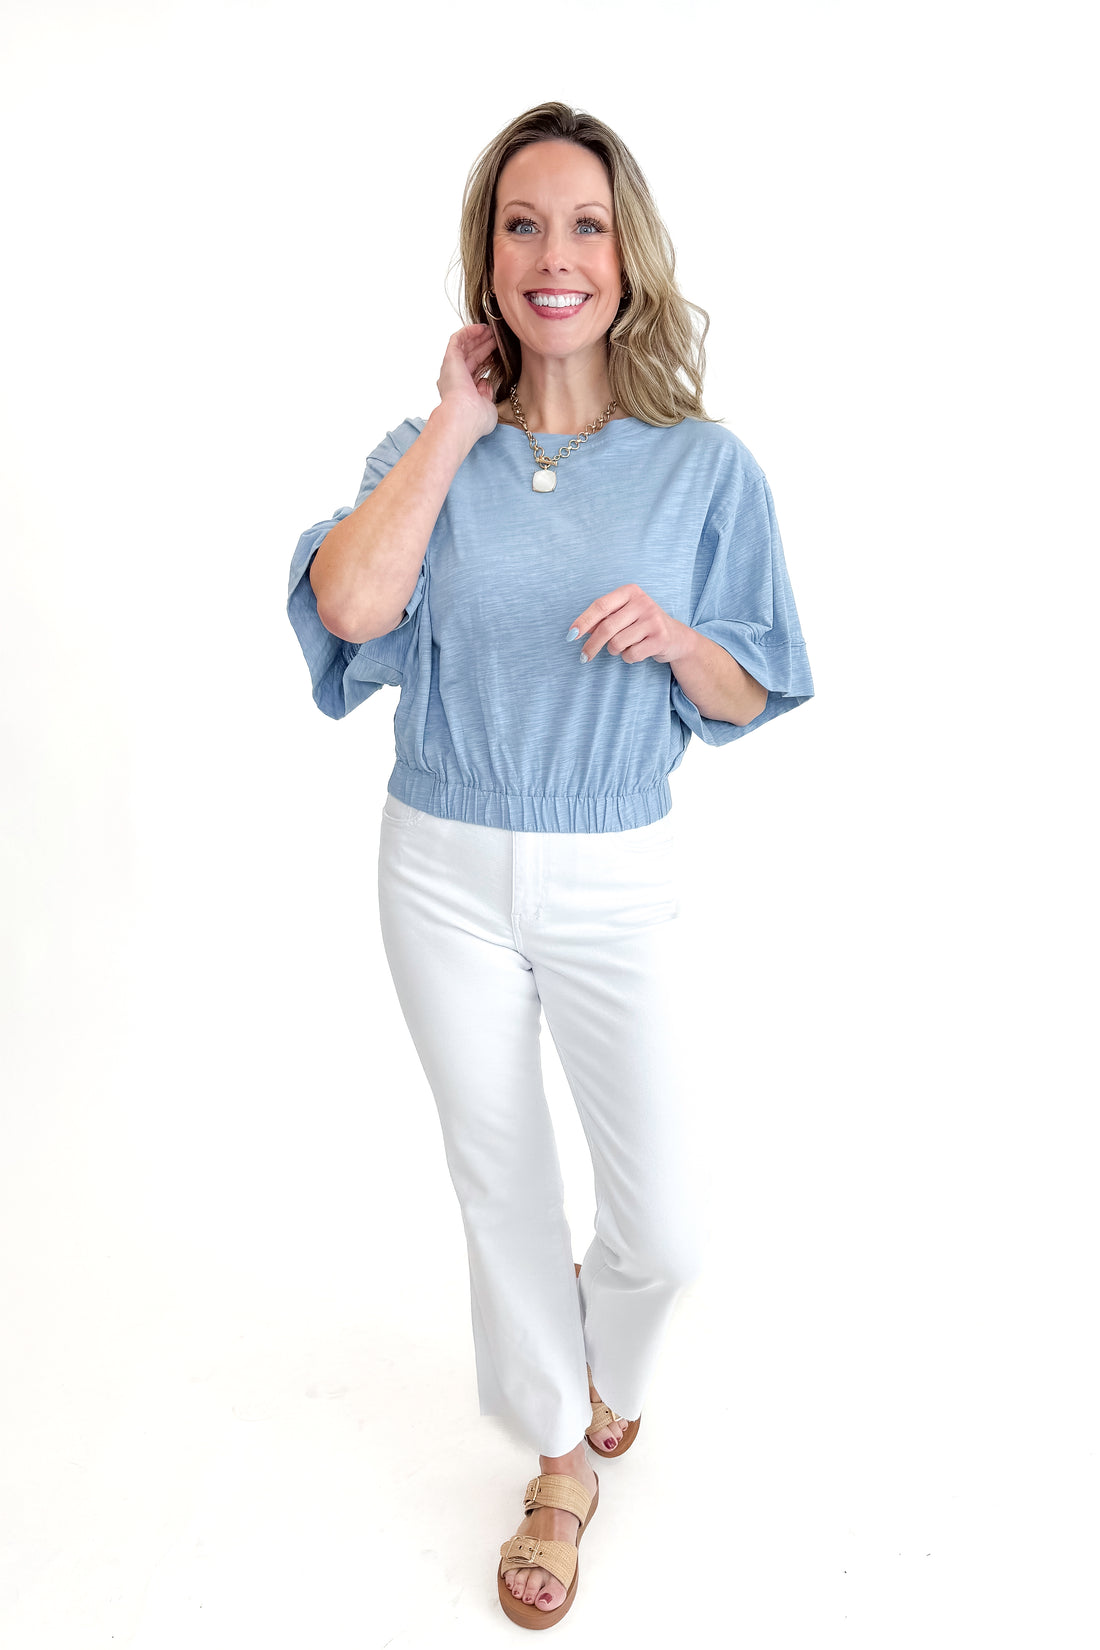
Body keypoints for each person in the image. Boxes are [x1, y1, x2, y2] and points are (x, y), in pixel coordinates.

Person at [287, 101, 814, 1629]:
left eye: (584, 224)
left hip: (614, 869)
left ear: (627, 257)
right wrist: (455, 420)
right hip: (439, 859)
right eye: (523, 223)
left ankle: (605, 1375)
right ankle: (558, 1459)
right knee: (500, 1179)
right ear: (490, 256)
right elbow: (352, 607)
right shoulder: (425, 451)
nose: (554, 254)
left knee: (664, 1231)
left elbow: (757, 683)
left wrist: (681, 638)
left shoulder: (703, 469)